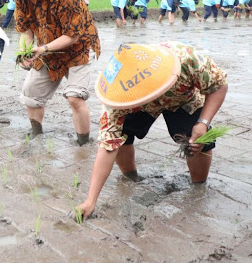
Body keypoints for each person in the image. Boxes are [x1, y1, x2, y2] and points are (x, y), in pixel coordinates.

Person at [75, 42, 228, 219]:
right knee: (122, 133)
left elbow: (219, 85)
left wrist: (203, 123)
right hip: (137, 105)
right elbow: (108, 145)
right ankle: (131, 177)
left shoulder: (186, 59)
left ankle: (198, 186)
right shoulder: (117, 98)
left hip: (183, 99)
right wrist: (90, 200)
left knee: (200, 139)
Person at [0, 0, 101, 145]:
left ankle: (83, 143)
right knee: (30, 95)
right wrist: (25, 52)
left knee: (75, 97)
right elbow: (26, 30)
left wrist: (42, 49)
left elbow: (73, 35)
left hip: (78, 48)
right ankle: (36, 135)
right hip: (47, 49)